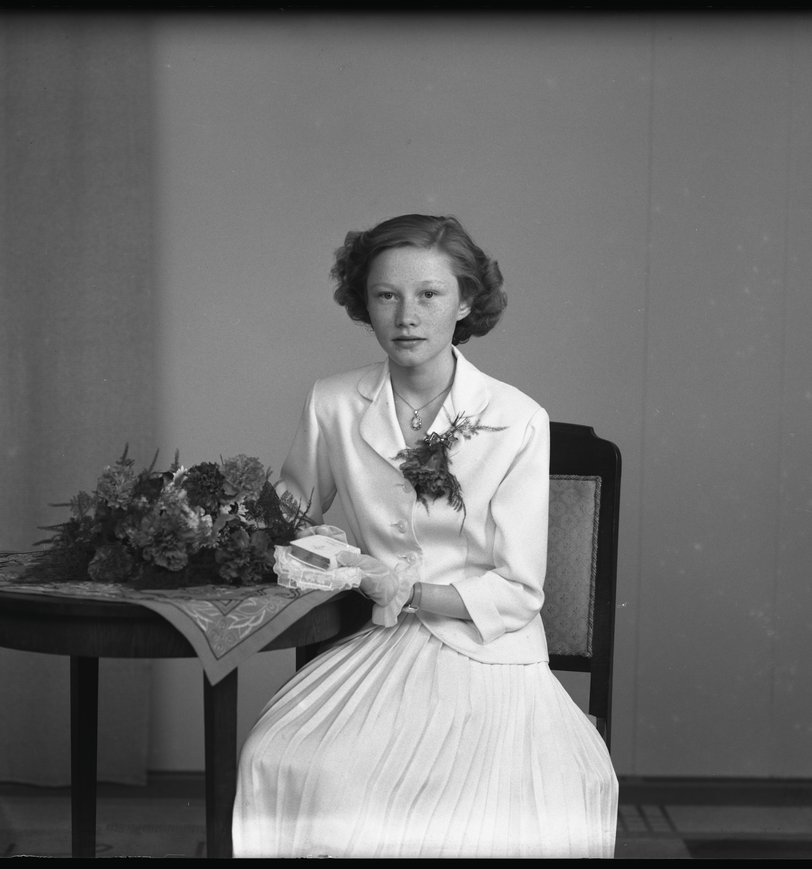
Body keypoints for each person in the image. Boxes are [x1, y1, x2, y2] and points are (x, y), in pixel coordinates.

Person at [232, 214, 618, 858]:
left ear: (465, 302)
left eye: (429, 294)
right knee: (287, 761)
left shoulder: (516, 418)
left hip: (487, 653)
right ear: (364, 303)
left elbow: (519, 589)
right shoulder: (332, 402)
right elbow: (287, 520)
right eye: (386, 295)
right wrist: (273, 541)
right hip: (379, 642)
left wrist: (403, 589)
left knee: (473, 801)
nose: (406, 316)